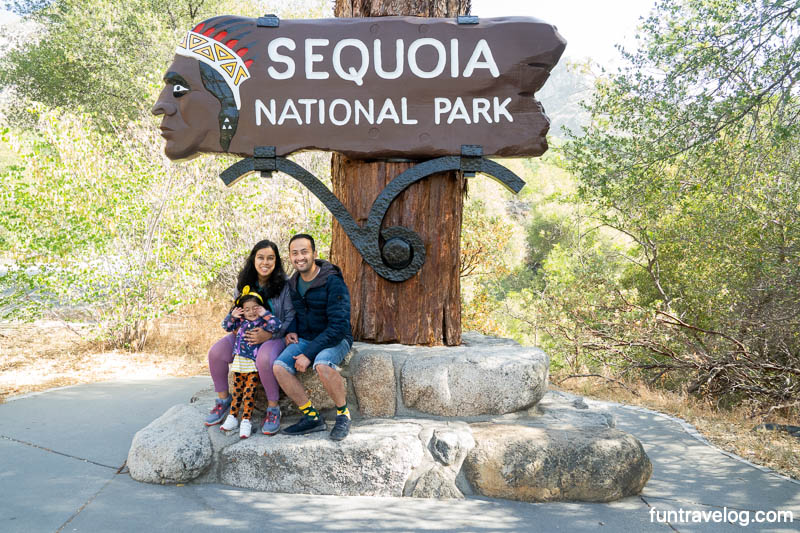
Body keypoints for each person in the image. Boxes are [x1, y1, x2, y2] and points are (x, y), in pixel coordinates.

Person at [206, 240, 295, 435]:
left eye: (270, 258)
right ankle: (223, 401)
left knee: (264, 359)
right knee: (216, 353)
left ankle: (273, 409)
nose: (265, 262)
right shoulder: (244, 282)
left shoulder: (285, 285)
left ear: (276, 261)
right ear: (253, 259)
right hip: (244, 336)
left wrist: (269, 334)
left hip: (273, 336)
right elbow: (235, 311)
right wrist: (236, 329)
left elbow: (289, 316)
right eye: (261, 257)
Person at [273, 234, 354, 441]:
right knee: (279, 367)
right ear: (290, 257)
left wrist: (308, 354)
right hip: (308, 337)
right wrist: (291, 329)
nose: (300, 257)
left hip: (337, 337)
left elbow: (339, 325)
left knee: (323, 364)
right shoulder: (293, 283)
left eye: (304, 252)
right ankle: (312, 418)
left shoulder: (332, 281)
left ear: (314, 254)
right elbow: (295, 313)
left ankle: (343, 415)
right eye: (295, 253)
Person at [218, 288, 281, 438]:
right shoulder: (240, 322)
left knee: (249, 393)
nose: (251, 312)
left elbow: (277, 325)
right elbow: (226, 326)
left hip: (252, 365)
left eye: (255, 308)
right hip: (239, 363)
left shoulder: (263, 323)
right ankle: (232, 417)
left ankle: (246, 420)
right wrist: (232, 316)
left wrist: (264, 314)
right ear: (242, 311)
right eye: (247, 309)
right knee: (237, 391)